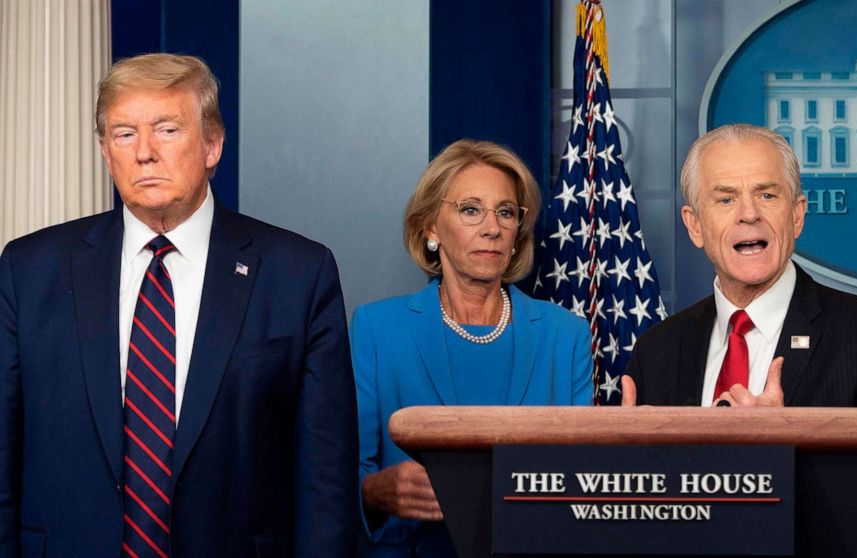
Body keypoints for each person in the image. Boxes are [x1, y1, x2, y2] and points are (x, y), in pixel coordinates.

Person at [0, 53, 358, 557]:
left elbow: (327, 486)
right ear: (106, 153)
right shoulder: (29, 271)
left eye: (167, 130)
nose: (144, 152)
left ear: (212, 144)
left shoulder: (298, 274)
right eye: (124, 134)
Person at [622, 123, 857, 458]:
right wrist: (632, 469)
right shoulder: (656, 351)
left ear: (797, 215)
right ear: (695, 225)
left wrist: (779, 449)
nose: (749, 214)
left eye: (767, 195)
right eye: (726, 199)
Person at [351, 139, 593, 556]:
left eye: (505, 212)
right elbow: (339, 476)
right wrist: (374, 492)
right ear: (430, 227)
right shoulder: (377, 329)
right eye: (470, 210)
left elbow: (583, 481)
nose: (491, 227)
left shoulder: (564, 335)